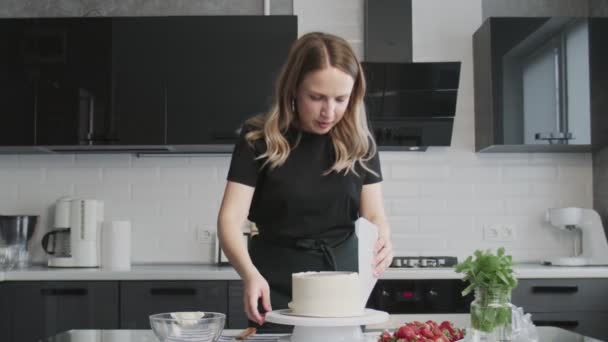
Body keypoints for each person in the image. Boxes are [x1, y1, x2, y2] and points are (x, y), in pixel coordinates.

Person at [217, 32, 393, 331]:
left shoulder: (360, 142)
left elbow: (374, 214)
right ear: (293, 89)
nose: (330, 112)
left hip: (343, 287)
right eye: (317, 97)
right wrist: (249, 275)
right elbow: (229, 220)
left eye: (341, 99)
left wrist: (384, 238)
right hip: (275, 285)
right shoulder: (258, 139)